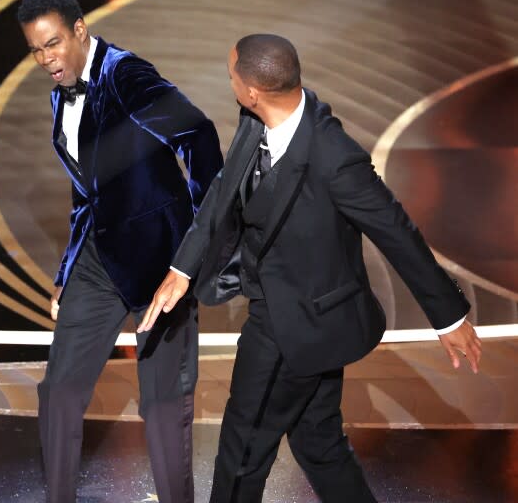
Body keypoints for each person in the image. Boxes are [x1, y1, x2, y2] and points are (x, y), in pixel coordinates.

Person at [139, 34, 482, 502]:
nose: (231, 83)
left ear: (253, 90)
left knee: (241, 453)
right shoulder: (255, 119)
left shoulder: (335, 157)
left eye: (232, 76)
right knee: (318, 444)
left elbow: (395, 231)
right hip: (295, 316)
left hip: (293, 324)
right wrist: (182, 267)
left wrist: (449, 315)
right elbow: (224, 189)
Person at [17, 0, 223, 503]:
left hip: (160, 263)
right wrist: (67, 269)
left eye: (54, 44)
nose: (46, 59)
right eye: (36, 50)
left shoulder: (127, 75)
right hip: (99, 260)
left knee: (161, 404)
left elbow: (198, 137)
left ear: (80, 29)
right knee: (59, 392)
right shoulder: (60, 91)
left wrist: (192, 252)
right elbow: (87, 189)